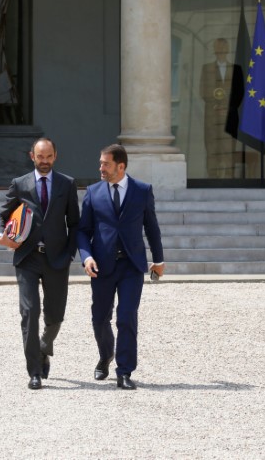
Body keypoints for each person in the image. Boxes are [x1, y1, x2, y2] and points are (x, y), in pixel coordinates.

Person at [77, 144, 165, 390]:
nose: (101, 168)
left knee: (127, 317)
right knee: (99, 318)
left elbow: (152, 227)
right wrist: (86, 257)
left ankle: (124, 371)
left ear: (121, 166)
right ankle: (106, 355)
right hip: (102, 266)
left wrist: (158, 260)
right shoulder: (93, 192)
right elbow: (83, 231)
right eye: (101, 163)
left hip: (131, 265)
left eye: (106, 163)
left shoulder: (142, 191)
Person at [0, 138, 80, 390]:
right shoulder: (20, 184)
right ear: (32, 156)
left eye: (49, 157)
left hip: (57, 259)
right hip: (27, 257)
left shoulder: (67, 184)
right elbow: (2, 214)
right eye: (40, 157)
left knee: (55, 316)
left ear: (55, 156)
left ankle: (44, 346)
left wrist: (70, 254)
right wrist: (1, 236)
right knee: (30, 312)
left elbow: (75, 223)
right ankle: (34, 371)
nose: (44, 162)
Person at [199, 38, 245, 178]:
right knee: (212, 149)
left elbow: (239, 92)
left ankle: (229, 178)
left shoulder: (236, 69)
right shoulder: (206, 68)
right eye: (218, 47)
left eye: (224, 47)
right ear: (214, 50)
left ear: (228, 49)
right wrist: (216, 105)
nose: (221, 50)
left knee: (228, 149)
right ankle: (212, 178)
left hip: (229, 116)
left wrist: (228, 108)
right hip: (211, 116)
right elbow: (203, 90)